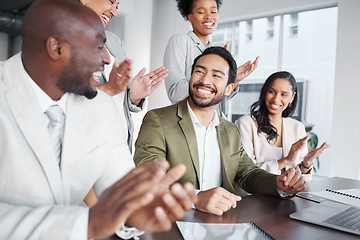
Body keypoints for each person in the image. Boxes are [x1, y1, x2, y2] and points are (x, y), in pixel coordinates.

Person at [0, 0, 196, 239]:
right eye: (98, 47)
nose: (106, 59)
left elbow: (122, 193)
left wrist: (136, 211)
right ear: (56, 48)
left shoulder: (102, 109)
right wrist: (87, 223)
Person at [134, 47, 306, 216]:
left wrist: (278, 183)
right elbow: (147, 180)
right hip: (172, 221)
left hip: (221, 224)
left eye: (216, 75)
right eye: (199, 72)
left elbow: (248, 173)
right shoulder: (157, 120)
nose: (205, 80)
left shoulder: (230, 130)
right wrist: (194, 198)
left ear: (229, 88)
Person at [79, 0, 168, 152]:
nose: (114, 12)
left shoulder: (113, 41)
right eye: (111, 2)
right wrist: (109, 89)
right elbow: (69, 103)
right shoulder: (65, 38)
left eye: (117, 7)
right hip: (90, 144)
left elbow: (119, 98)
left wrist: (134, 96)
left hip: (120, 142)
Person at [164, 0, 259, 116]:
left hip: (214, 125)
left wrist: (231, 80)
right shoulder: (181, 41)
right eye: (201, 12)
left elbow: (217, 104)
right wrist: (209, 82)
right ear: (190, 17)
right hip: (188, 121)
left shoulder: (215, 50)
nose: (209, 17)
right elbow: (175, 93)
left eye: (213, 11)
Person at [235, 71, 330, 179]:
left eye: (283, 94)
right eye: (271, 92)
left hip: (287, 195)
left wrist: (306, 163)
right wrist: (286, 161)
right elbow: (245, 172)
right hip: (254, 194)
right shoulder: (246, 123)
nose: (276, 99)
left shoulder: (297, 128)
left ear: (292, 97)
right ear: (265, 92)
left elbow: (302, 180)